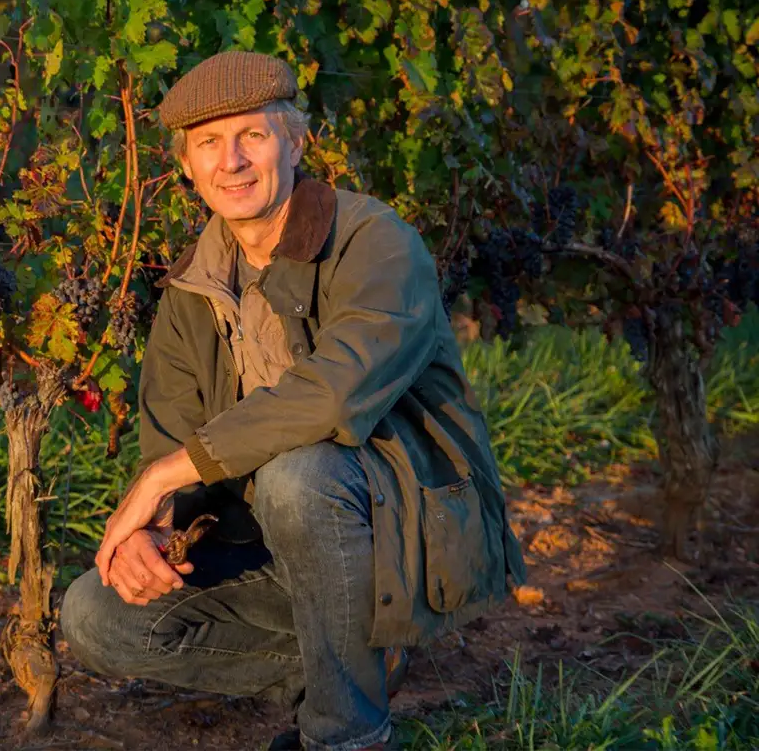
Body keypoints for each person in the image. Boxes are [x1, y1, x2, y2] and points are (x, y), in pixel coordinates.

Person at [60, 51, 527, 751]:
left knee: (298, 476)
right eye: (209, 144)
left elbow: (333, 394)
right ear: (187, 167)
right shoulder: (192, 291)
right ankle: (356, 663)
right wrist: (156, 535)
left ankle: (346, 734)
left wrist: (163, 475)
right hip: (271, 553)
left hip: (404, 545)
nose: (233, 161)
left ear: (296, 141)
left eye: (252, 135)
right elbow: (175, 452)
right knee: (92, 615)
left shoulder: (376, 242)